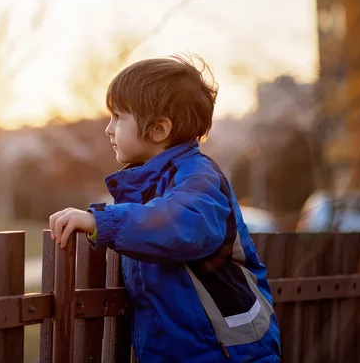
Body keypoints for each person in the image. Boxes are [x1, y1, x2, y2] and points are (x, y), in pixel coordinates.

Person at [49, 54, 281, 362]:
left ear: (158, 129)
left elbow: (177, 225)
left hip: (228, 350)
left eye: (118, 117)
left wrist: (100, 221)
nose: (108, 129)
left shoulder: (198, 177)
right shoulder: (149, 186)